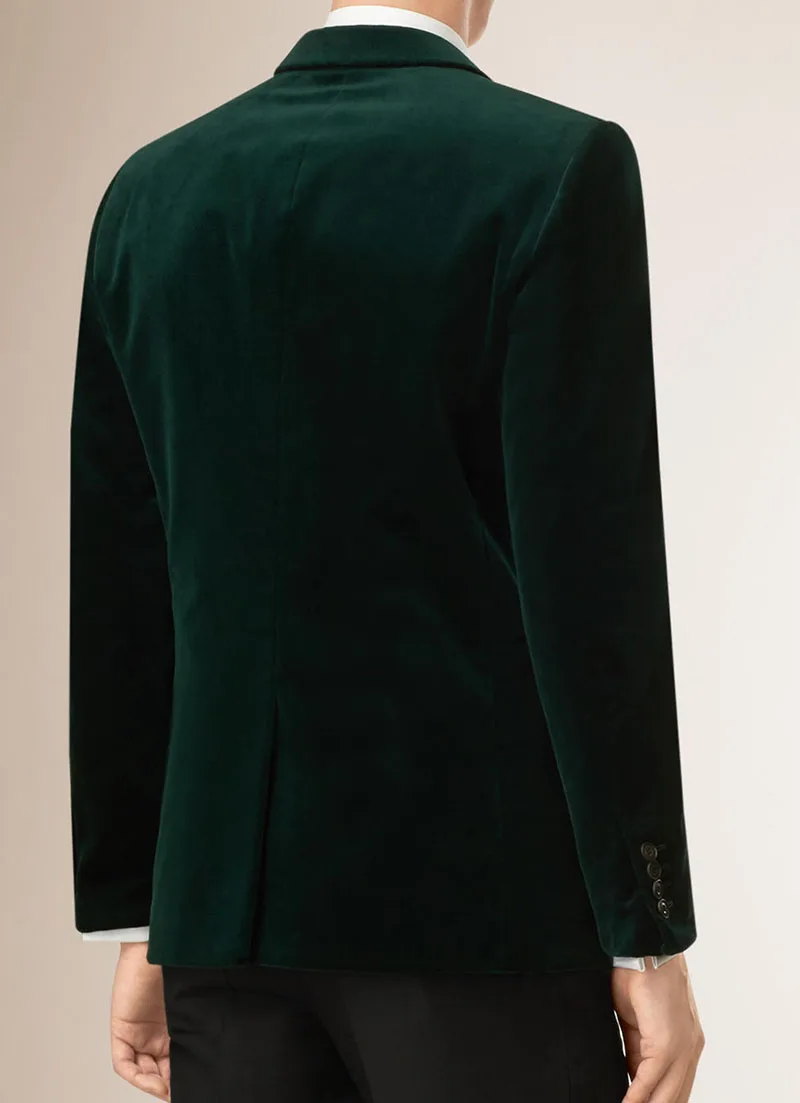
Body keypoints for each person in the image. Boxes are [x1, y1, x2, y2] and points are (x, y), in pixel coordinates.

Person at [68, 2, 705, 1100]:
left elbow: (121, 580)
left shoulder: (149, 192)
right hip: (478, 922)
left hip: (223, 920)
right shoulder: (555, 168)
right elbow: (591, 586)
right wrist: (644, 931)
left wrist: (141, 914)